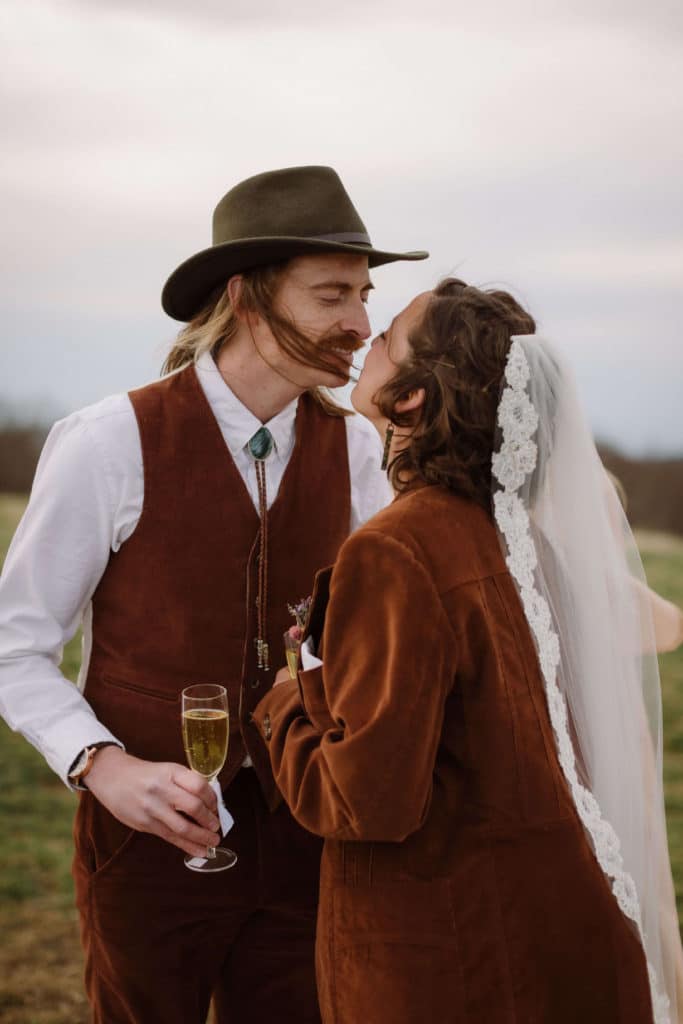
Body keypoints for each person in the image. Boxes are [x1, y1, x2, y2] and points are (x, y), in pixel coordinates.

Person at [0, 165, 427, 1023]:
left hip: (311, 834)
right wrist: (101, 766)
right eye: (331, 295)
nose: (359, 324)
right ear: (245, 298)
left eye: (363, 294)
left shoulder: (356, 454)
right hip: (146, 844)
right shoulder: (107, 442)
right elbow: (14, 647)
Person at [253, 279, 683, 1023]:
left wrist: (287, 698)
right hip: (556, 928)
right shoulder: (525, 540)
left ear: (411, 401)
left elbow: (364, 802)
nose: (366, 343)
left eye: (386, 336)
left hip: (441, 958)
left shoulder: (395, 550)